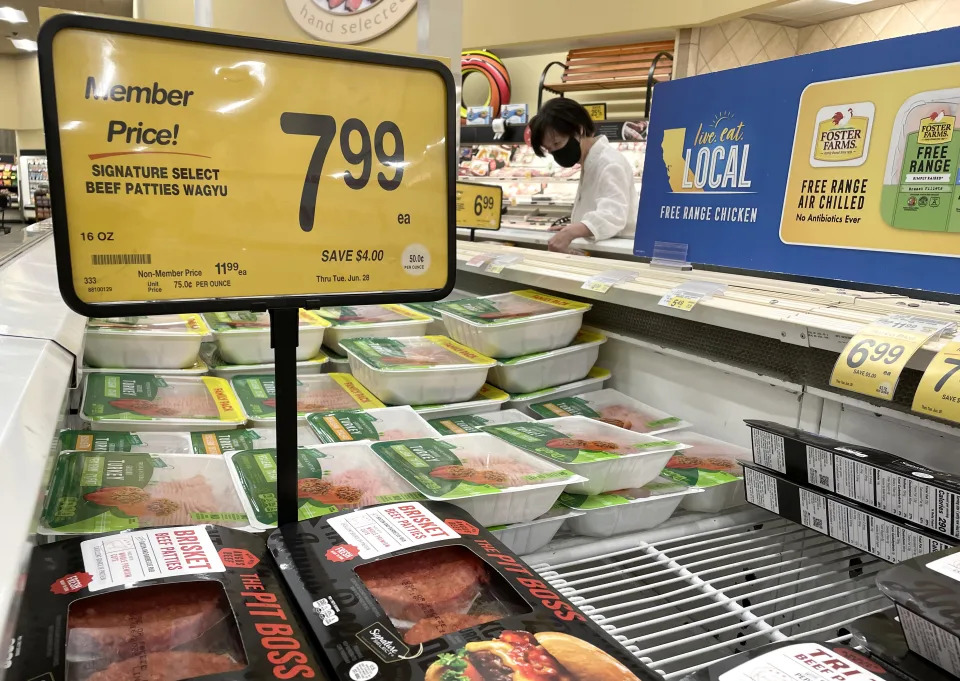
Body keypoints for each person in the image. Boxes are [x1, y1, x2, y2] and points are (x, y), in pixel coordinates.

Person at [528, 99, 639, 253]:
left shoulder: (610, 163)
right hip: (600, 250)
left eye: (557, 143)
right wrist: (578, 226)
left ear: (579, 130)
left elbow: (613, 215)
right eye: (549, 149)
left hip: (618, 253)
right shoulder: (588, 161)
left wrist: (572, 232)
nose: (555, 152)